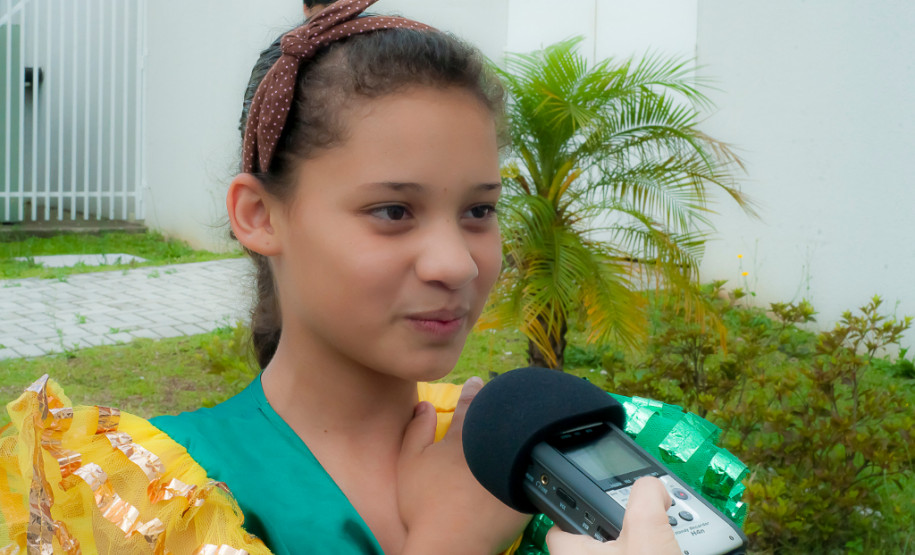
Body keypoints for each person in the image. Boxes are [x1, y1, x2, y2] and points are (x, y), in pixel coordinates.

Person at [0, 1, 722, 553]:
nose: (456, 263)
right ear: (259, 214)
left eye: (479, 209)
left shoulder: (541, 455)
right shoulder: (143, 496)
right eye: (391, 210)